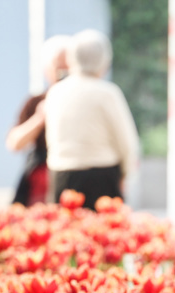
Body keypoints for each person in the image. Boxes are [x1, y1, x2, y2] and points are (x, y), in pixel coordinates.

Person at [45, 29, 139, 209]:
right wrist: (127, 174)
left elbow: (52, 140)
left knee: (65, 226)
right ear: (104, 60)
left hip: (61, 176)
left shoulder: (55, 92)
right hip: (102, 177)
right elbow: (127, 142)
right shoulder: (108, 93)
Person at [7, 35, 70, 206]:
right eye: (59, 69)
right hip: (41, 182)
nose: (64, 74)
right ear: (47, 69)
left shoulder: (85, 102)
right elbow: (14, 143)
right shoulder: (37, 102)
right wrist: (40, 118)